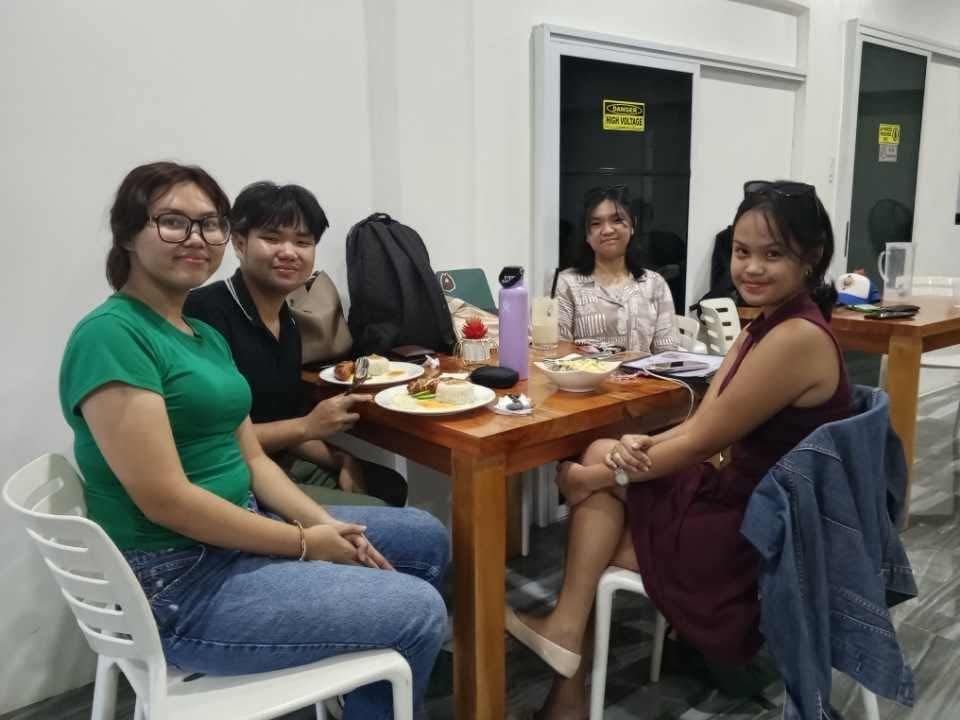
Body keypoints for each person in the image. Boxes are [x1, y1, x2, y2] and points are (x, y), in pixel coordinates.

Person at [59, 162, 449, 720]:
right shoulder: (112, 336)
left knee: (425, 539)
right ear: (128, 234)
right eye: (174, 222)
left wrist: (315, 524)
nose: (197, 238)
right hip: (175, 584)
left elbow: (250, 458)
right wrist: (303, 543)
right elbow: (164, 499)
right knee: (418, 611)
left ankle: (365, 687)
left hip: (229, 539)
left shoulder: (202, 336)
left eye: (209, 224)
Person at [506, 180, 851, 720]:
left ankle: (566, 656)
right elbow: (702, 422)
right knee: (602, 450)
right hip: (742, 494)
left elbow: (699, 442)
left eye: (773, 254)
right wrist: (639, 444)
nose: (752, 268)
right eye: (741, 252)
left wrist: (594, 480)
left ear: (811, 258)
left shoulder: (795, 339)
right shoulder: (766, 325)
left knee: (595, 519)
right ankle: (567, 645)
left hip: (762, 530)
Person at [184, 181, 407, 507]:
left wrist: (341, 460)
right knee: (379, 512)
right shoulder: (203, 313)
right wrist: (308, 425)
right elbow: (215, 439)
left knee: (387, 484)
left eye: (303, 242)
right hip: (231, 474)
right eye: (272, 239)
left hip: (278, 457)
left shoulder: (287, 320)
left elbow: (286, 422)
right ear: (240, 243)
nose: (289, 252)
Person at [555, 185, 678, 353]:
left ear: (632, 225)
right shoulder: (566, 284)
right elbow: (558, 352)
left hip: (644, 379)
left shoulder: (655, 284)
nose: (607, 230)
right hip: (585, 379)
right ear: (587, 235)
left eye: (617, 220)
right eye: (596, 223)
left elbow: (667, 354)